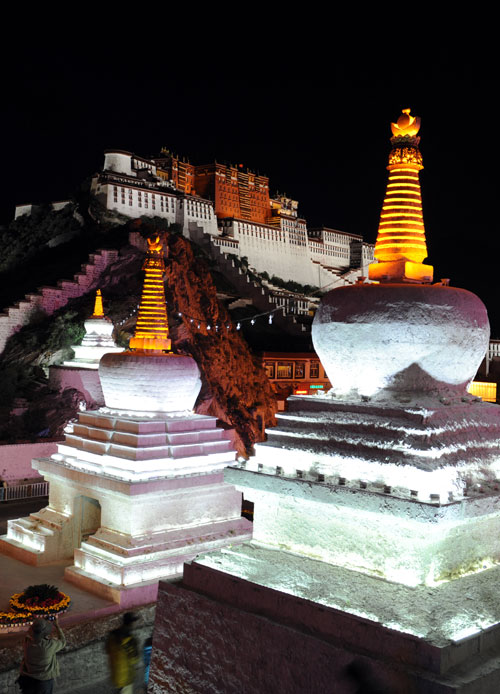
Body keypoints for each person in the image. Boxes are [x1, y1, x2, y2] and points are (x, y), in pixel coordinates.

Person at [18, 616, 66, 694]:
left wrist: (40, 625)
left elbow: (31, 634)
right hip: (44, 681)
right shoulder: (49, 645)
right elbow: (63, 642)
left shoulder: (27, 642)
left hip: (28, 679)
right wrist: (57, 626)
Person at [106, 612, 140, 694]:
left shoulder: (112, 635)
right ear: (132, 623)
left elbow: (107, 649)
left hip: (115, 674)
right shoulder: (129, 639)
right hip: (126, 677)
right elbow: (135, 659)